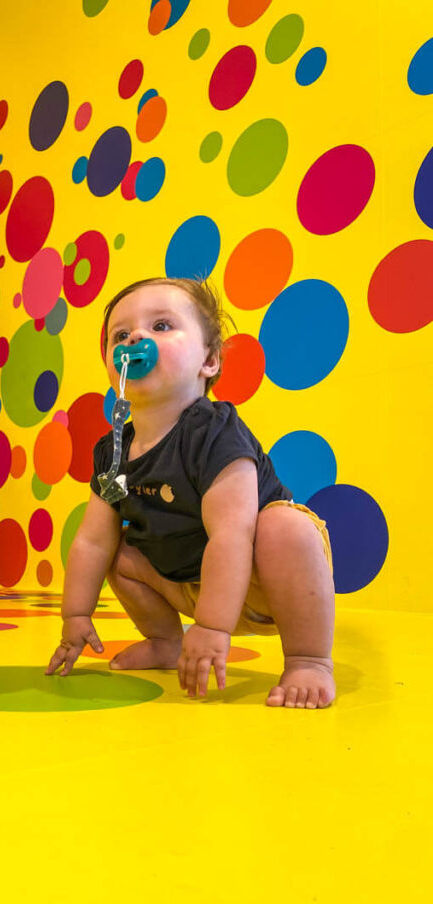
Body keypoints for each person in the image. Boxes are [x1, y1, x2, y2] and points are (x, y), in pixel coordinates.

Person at [45, 277, 336, 709]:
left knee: (284, 526)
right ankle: (165, 641)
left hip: (266, 578)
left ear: (210, 361)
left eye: (161, 326)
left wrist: (213, 628)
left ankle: (309, 660)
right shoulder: (113, 450)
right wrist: (76, 615)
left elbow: (233, 535)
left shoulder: (213, 431)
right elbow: (91, 540)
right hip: (189, 581)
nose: (136, 338)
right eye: (121, 336)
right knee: (119, 554)